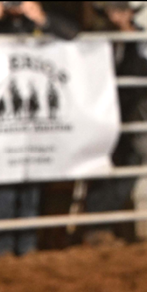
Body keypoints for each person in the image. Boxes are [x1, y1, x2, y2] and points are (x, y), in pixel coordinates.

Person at [0, 2, 80, 257]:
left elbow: (74, 34)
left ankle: (27, 244)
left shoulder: (40, 19)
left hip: (32, 126)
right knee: (2, 183)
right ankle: (3, 247)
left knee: (32, 183)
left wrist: (42, 18)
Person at [85, 1, 147, 243]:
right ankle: (97, 226)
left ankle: (100, 226)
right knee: (106, 164)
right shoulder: (97, 37)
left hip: (133, 110)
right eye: (112, 10)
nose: (116, 15)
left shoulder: (140, 38)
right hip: (103, 112)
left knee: (129, 163)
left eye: (120, 9)